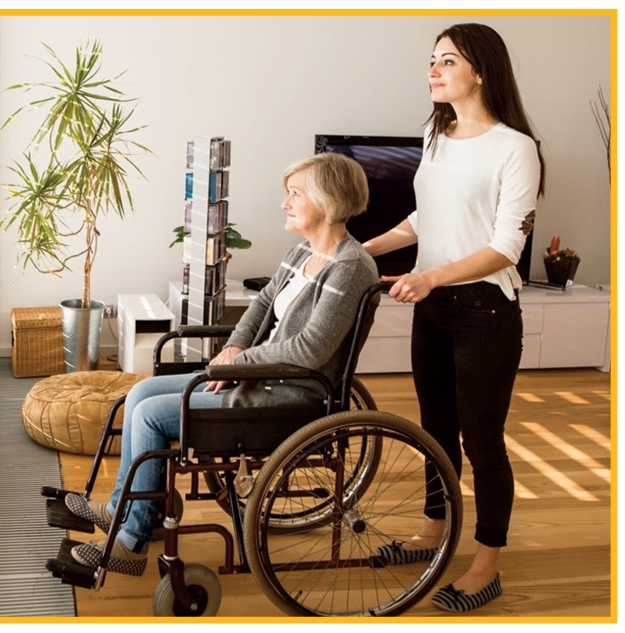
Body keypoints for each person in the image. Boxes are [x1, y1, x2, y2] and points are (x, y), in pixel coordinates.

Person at [63, 151, 379, 576]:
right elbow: (262, 306)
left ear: (327, 200)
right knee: (139, 392)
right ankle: (128, 508)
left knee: (155, 416)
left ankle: (130, 541)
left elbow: (309, 350)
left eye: (295, 194)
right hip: (254, 376)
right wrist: (232, 352)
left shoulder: (350, 268)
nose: (285, 203)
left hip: (289, 394)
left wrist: (241, 361)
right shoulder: (300, 253)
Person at [363, 23, 544, 613]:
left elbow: (505, 249)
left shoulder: (516, 148)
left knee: (482, 442)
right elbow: (425, 218)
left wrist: (433, 275)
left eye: (447, 61)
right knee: (434, 433)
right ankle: (431, 533)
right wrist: (362, 250)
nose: (433, 71)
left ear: (482, 71)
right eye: (432, 60)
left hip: (485, 312)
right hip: (434, 307)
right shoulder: (435, 133)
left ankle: (486, 565)